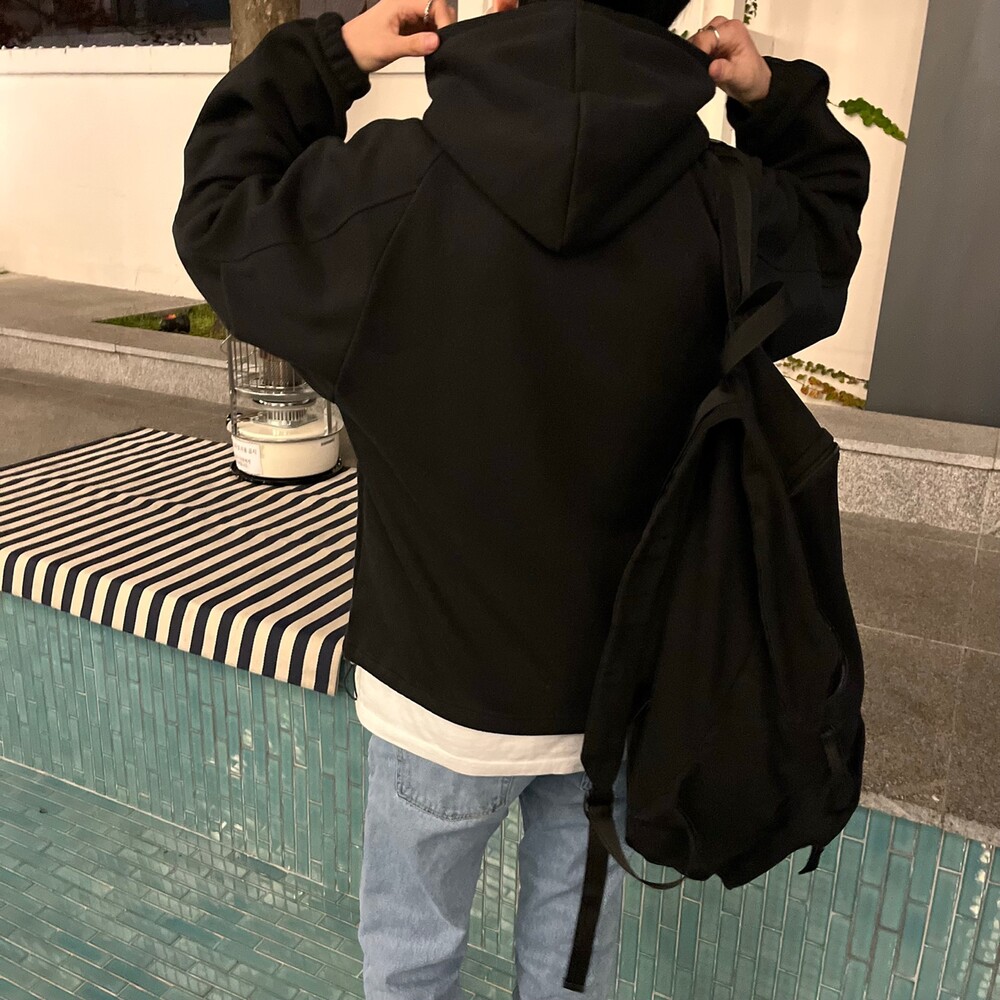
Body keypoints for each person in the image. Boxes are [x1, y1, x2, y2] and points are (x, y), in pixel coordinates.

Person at [173, 0, 870, 994]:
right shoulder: (725, 207)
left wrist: (327, 56)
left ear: (500, 7)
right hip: (619, 697)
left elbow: (218, 212)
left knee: (411, 960)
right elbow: (829, 225)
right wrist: (772, 100)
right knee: (571, 968)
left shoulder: (385, 194)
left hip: (439, 694)